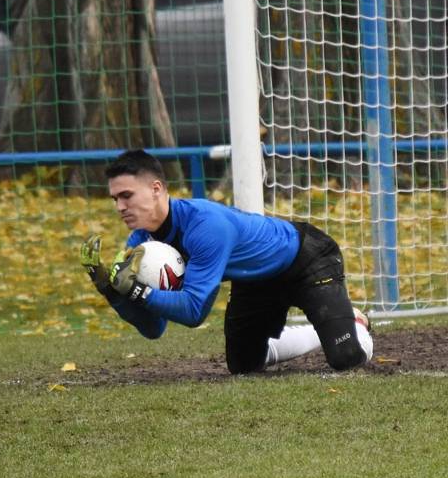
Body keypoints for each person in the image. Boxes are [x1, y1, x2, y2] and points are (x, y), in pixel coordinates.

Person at [80, 149, 373, 375]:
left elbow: (195, 311)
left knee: (346, 359)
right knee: (244, 366)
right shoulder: (140, 242)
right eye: (115, 199)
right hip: (256, 280)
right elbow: (154, 328)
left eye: (126, 196)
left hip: (306, 259)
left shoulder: (205, 226)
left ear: (156, 189)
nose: (120, 207)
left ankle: (355, 323)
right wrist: (112, 293)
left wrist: (136, 291)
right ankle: (319, 331)